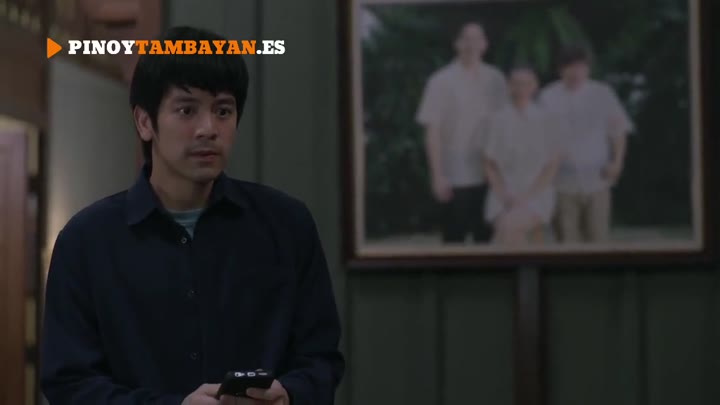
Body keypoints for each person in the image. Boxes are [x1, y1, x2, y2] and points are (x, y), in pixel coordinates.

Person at [40, 26, 344, 405]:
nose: (208, 129)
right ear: (144, 122)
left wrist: (289, 394)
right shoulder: (86, 240)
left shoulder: (287, 225)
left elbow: (321, 359)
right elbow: (69, 383)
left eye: (223, 111)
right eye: (186, 110)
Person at [416, 22, 508, 244]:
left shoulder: (496, 78)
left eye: (477, 39)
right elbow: (432, 131)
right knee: (453, 240)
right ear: (457, 44)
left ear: (485, 44)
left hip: (490, 174)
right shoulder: (440, 81)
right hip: (454, 174)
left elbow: (505, 127)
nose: (471, 45)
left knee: (487, 241)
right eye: (466, 39)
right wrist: (437, 175)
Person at [539, 45, 633, 243]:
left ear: (588, 69)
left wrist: (617, 162)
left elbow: (618, 131)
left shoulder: (602, 93)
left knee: (598, 239)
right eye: (570, 67)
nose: (576, 72)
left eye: (581, 67)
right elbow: (538, 139)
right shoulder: (548, 96)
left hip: (598, 180)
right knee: (566, 241)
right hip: (561, 183)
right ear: (561, 69)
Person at [482, 67, 562, 244]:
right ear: (509, 87)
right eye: (516, 84)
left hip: (537, 193)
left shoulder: (546, 120)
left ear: (535, 86)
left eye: (526, 84)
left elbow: (551, 166)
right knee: (507, 228)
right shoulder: (497, 120)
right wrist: (504, 194)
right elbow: (489, 163)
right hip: (503, 192)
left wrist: (527, 197)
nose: (521, 88)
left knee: (508, 227)